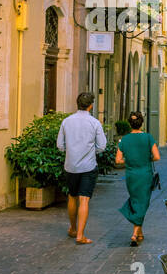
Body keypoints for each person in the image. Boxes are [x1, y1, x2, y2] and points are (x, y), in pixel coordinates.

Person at [56, 93, 107, 244]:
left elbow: (60, 145)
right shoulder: (94, 123)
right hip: (88, 166)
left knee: (72, 197)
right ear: (91, 105)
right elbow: (102, 146)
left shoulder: (66, 121)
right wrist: (91, 151)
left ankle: (72, 228)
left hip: (71, 165)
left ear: (77, 103)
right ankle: (80, 235)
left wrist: (71, 151)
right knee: (84, 200)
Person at [115, 111, 160, 247]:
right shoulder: (148, 138)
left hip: (131, 176)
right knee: (143, 203)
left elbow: (118, 160)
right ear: (142, 123)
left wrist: (129, 160)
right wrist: (146, 158)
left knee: (137, 201)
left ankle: (140, 233)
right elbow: (157, 157)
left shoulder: (125, 139)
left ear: (130, 123)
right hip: (145, 175)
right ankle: (134, 234)